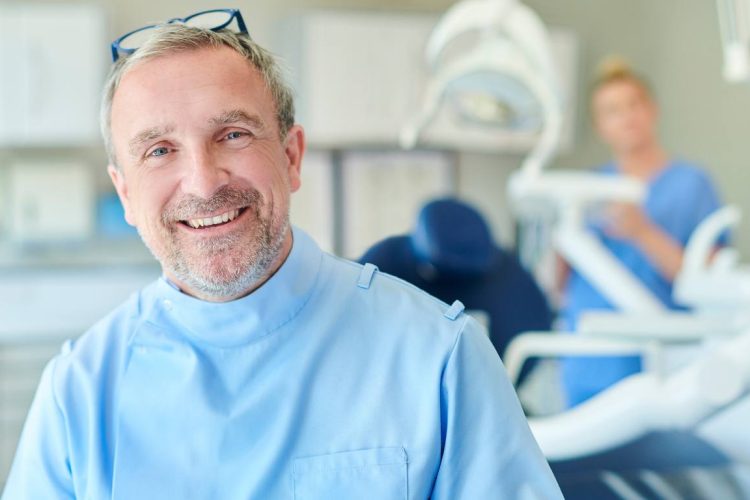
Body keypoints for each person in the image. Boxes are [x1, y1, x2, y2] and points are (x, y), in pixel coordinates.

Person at [2, 9, 561, 499]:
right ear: (125, 193)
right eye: (160, 150)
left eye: (233, 134)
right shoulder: (78, 393)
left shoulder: (440, 359)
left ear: (291, 156)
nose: (202, 181)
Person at [559, 57, 728, 407]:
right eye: (612, 110)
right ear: (600, 126)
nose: (626, 117)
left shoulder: (691, 184)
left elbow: (711, 287)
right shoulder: (586, 189)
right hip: (587, 355)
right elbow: (558, 286)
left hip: (656, 356)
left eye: (633, 104)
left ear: (652, 110)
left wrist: (642, 231)